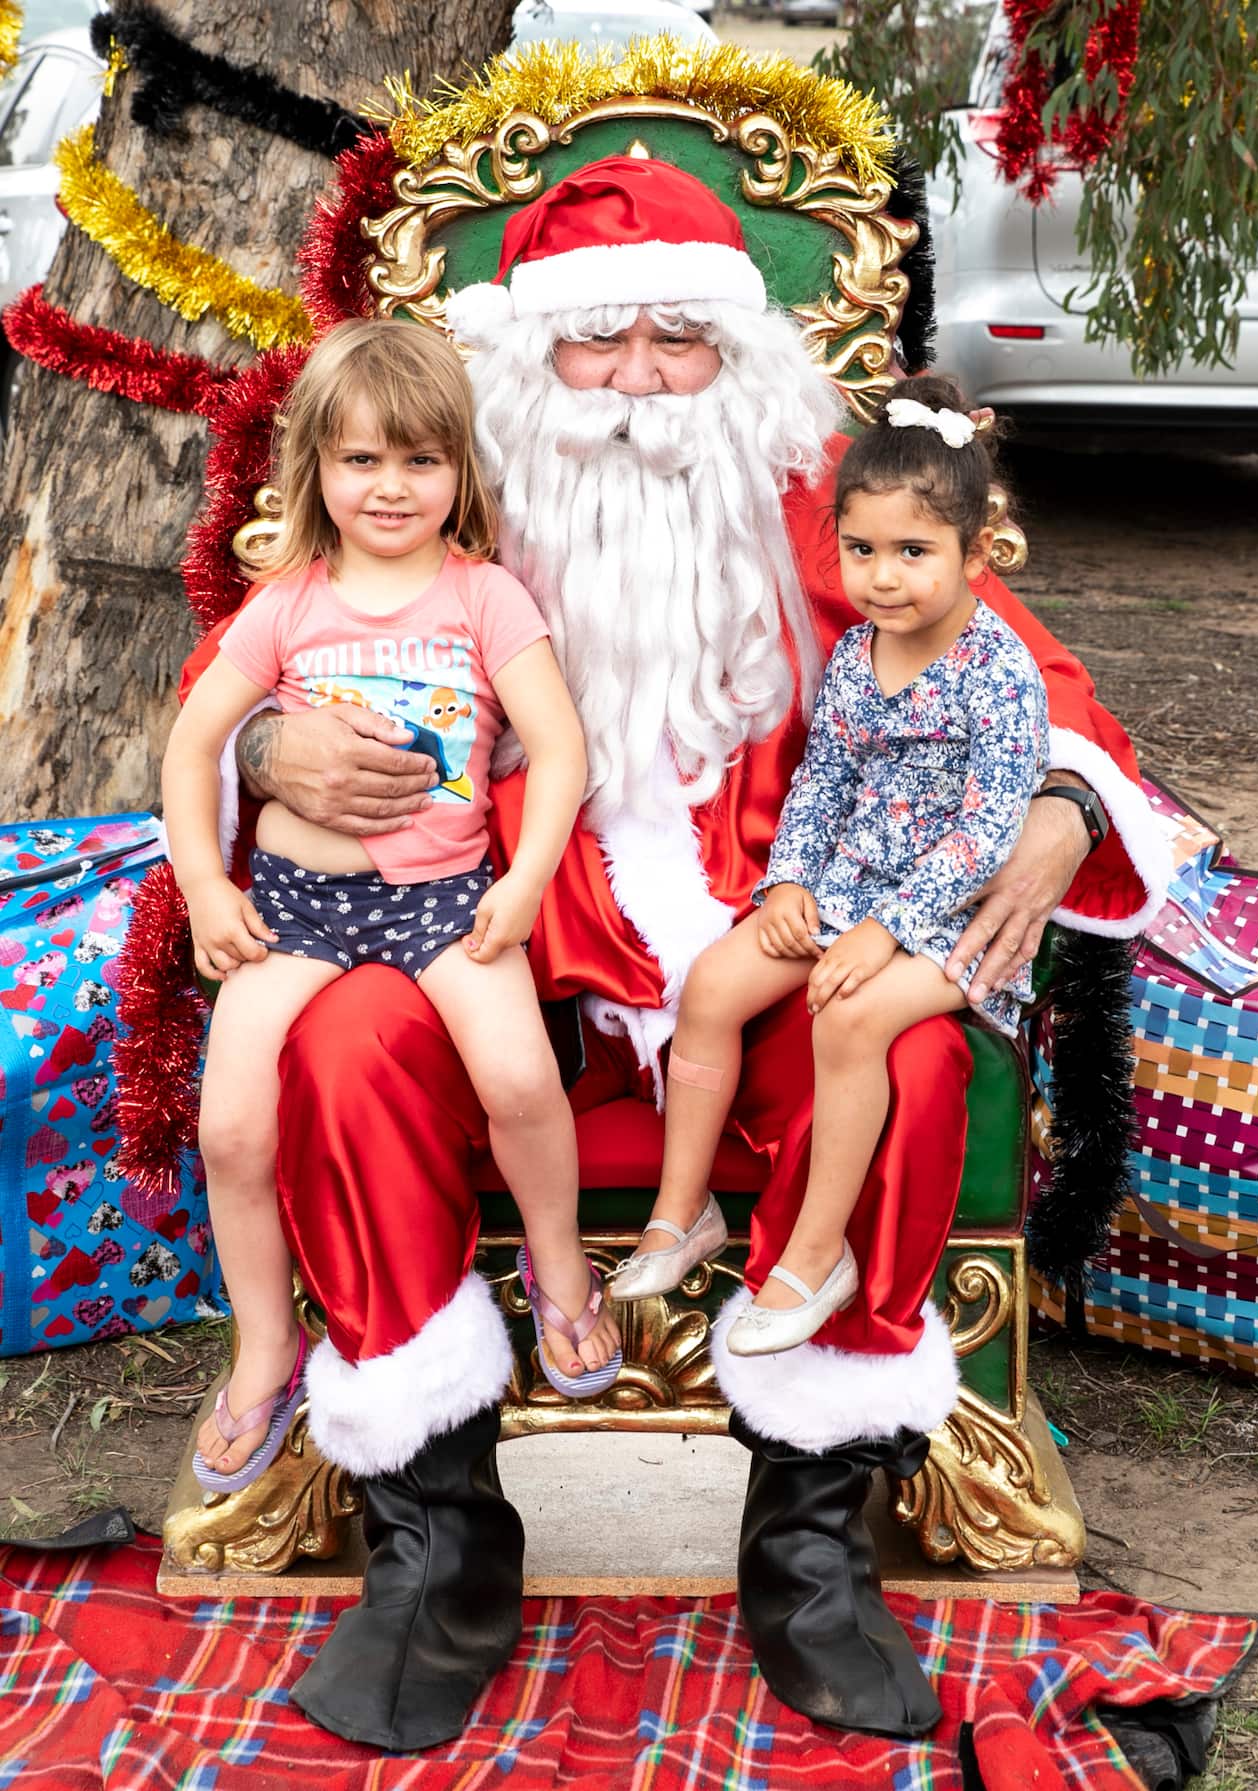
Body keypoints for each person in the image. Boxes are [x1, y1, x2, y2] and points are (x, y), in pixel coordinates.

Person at [182, 157, 1170, 1749]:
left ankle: (811, 1537)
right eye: (597, 344)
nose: (637, 382)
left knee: (913, 1053)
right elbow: (254, 672)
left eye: (677, 341)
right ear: (529, 357)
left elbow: (1027, 668)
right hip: (483, 919)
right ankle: (438, 1541)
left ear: (741, 356)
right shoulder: (450, 497)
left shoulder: (816, 501)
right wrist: (277, 755)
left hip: (770, 926)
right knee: (346, 1044)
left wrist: (1059, 797)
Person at [163, 318, 618, 1497]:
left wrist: (520, 886)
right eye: (361, 460)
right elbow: (193, 745)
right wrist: (209, 885)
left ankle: (559, 1273)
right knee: (231, 1127)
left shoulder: (484, 597)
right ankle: (268, 1342)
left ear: (460, 471)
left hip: (444, 898)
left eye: (420, 460)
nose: (391, 486)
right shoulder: (287, 605)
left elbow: (558, 751)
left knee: (521, 1081)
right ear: (314, 465)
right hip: (301, 909)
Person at [610, 379, 1049, 1358]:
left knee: (848, 1017)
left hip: (951, 925)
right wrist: (789, 887)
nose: (883, 577)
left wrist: (884, 930)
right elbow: (818, 786)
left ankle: (814, 1254)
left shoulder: (998, 672)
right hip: (846, 895)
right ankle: (680, 1214)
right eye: (861, 551)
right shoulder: (856, 655)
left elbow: (985, 833)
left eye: (912, 553)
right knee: (716, 984)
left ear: (975, 553)